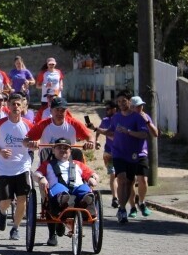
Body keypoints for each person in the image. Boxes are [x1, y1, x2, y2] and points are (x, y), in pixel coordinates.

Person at [99, 91, 155, 223]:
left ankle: (131, 206)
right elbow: (110, 131)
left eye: (124, 101)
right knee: (122, 179)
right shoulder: (116, 117)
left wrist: (128, 132)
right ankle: (122, 208)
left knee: (130, 182)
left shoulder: (138, 117)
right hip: (118, 153)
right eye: (119, 102)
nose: (121, 104)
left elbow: (144, 134)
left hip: (134, 155)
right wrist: (96, 129)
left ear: (129, 101)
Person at [34, 138, 99, 246]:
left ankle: (87, 200)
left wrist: (93, 178)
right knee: (59, 188)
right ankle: (63, 201)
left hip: (77, 190)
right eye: (59, 147)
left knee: (84, 188)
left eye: (66, 148)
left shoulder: (77, 164)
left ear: (70, 151)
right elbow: (36, 174)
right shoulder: (48, 164)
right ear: (53, 150)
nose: (63, 150)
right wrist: (41, 178)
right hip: (57, 190)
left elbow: (93, 174)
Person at [0, 93, 33, 240]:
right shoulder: (0, 124)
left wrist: (33, 144)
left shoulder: (28, 125)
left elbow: (35, 143)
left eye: (19, 104)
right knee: (5, 202)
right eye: (13, 104)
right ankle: (2, 211)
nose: (16, 107)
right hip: (3, 168)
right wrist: (0, 151)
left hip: (22, 167)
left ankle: (15, 228)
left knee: (22, 199)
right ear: (8, 106)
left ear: (23, 107)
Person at [94, 100, 119, 208]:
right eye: (106, 109)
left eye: (108, 109)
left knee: (120, 176)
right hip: (108, 152)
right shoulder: (105, 120)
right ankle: (115, 198)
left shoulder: (120, 119)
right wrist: (97, 141)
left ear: (114, 109)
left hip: (120, 152)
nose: (106, 111)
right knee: (113, 175)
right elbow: (99, 130)